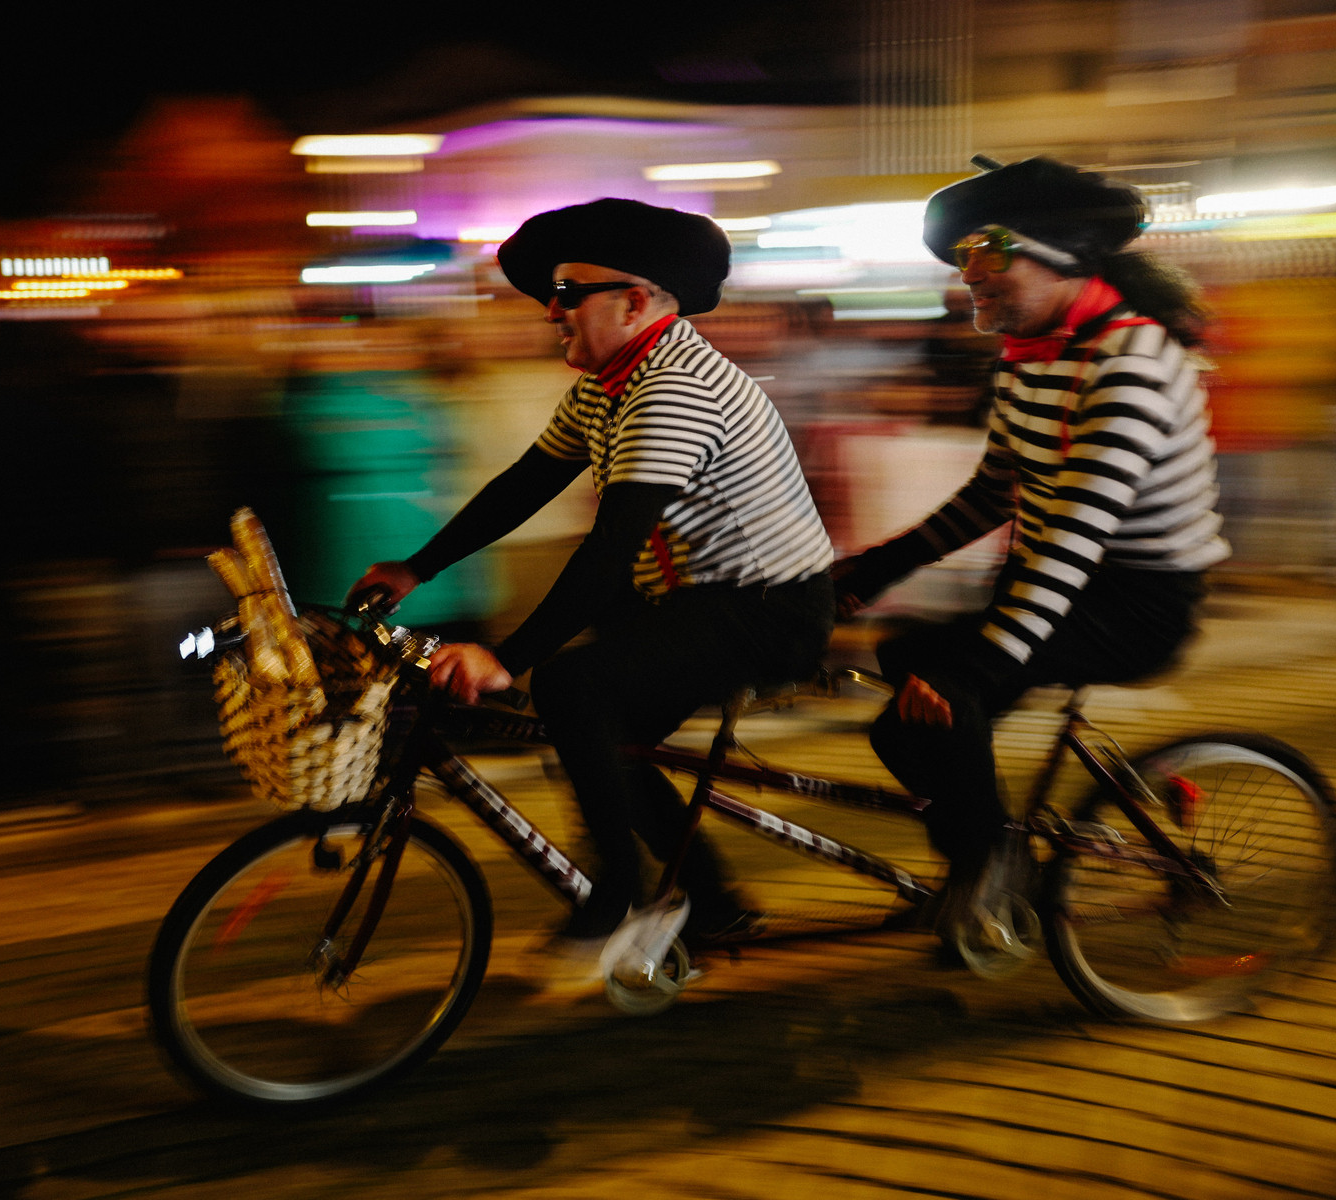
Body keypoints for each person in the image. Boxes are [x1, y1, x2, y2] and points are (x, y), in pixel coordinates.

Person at [352, 198, 835, 947]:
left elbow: (611, 547)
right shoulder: (611, 383)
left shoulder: (675, 388)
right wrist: (416, 569)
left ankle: (621, 897)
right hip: (692, 599)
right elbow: (525, 484)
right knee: (598, 734)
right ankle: (712, 902)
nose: (551, 310)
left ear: (634, 302)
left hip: (766, 609)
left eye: (569, 292)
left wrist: (506, 657)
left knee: (572, 688)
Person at [832, 157, 1230, 952]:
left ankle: (987, 876)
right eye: (962, 256)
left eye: (988, 250)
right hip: (1056, 582)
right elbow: (991, 495)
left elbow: (1079, 535)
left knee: (947, 691)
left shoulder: (1129, 363)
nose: (969, 274)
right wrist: (866, 573)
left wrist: (979, 665)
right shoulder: (1031, 351)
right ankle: (990, 859)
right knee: (905, 700)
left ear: (1063, 256)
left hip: (1135, 600)